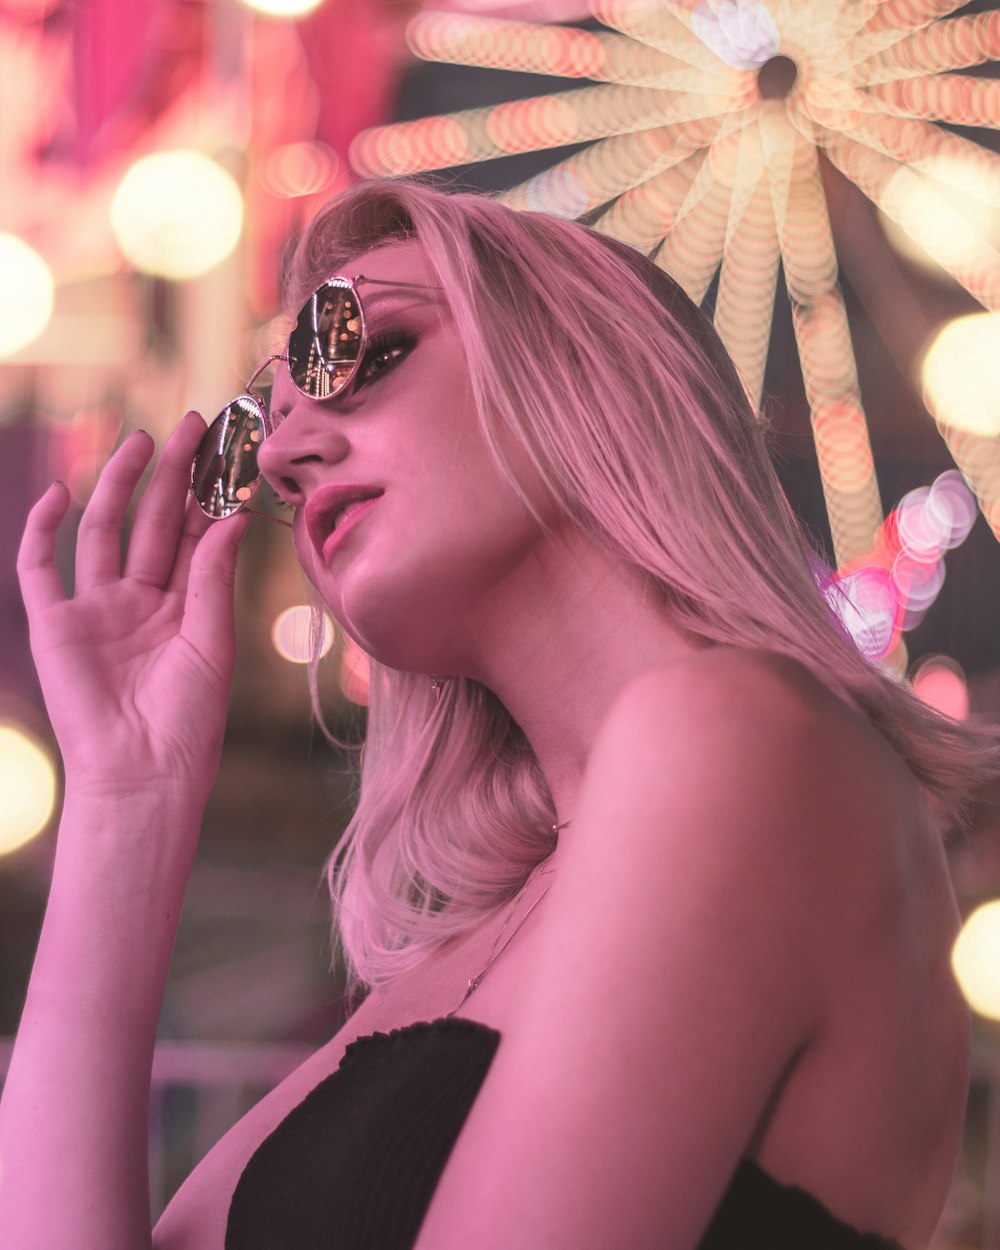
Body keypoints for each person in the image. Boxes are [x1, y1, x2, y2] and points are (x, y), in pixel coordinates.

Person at [2, 178, 997, 1250]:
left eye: (362, 354)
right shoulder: (479, 939)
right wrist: (127, 794)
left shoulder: (742, 731)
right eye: (262, 439)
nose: (285, 457)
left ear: (581, 361)